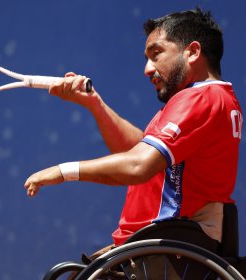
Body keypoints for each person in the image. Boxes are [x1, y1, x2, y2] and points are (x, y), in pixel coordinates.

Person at [24, 8, 243, 254]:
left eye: (156, 53)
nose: (147, 69)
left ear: (192, 52)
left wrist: (63, 171)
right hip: (157, 247)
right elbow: (137, 153)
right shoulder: (215, 98)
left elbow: (137, 166)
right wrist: (95, 104)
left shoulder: (200, 98)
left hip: (163, 251)